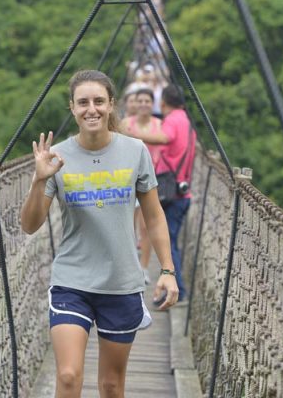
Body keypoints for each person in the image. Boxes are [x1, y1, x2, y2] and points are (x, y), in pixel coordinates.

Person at [20, 70, 179, 398]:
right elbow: (30, 225)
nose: (90, 109)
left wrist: (167, 270)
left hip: (120, 283)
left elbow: (153, 214)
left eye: (98, 101)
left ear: (111, 105)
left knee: (110, 385)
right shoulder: (57, 157)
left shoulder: (135, 151)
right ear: (72, 108)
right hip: (71, 280)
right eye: (82, 103)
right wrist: (39, 179)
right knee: (66, 375)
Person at [123, 84, 195, 304]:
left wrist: (129, 132)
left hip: (172, 191)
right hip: (181, 187)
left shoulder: (172, 120)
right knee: (158, 233)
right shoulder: (186, 119)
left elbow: (162, 139)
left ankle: (177, 291)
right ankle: (170, 286)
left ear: (162, 103)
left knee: (167, 241)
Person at [119, 88, 164, 285]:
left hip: (150, 181)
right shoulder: (124, 124)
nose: (144, 104)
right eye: (140, 101)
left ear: (152, 104)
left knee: (146, 227)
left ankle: (144, 268)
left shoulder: (159, 124)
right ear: (134, 104)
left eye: (147, 101)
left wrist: (136, 136)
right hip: (126, 180)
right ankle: (127, 267)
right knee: (125, 225)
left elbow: (166, 142)